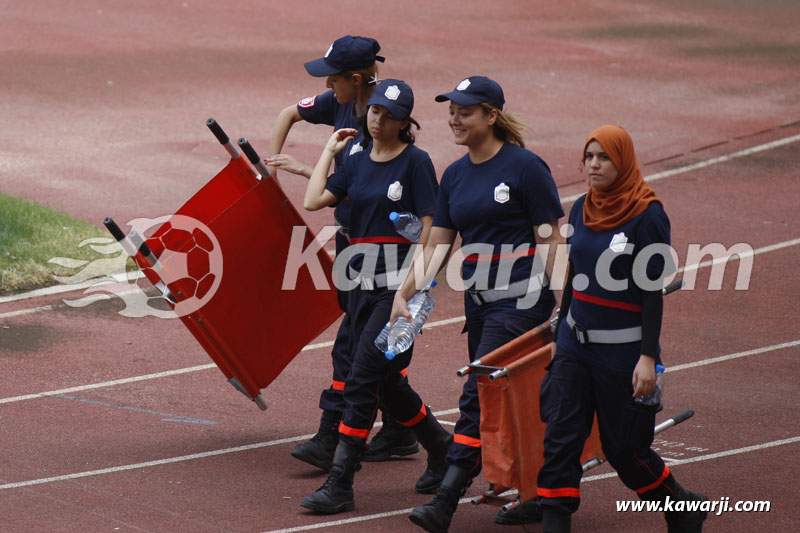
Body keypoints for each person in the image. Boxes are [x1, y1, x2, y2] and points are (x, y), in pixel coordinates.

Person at [395, 76, 566, 532]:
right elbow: (436, 246)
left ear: (491, 116)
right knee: (518, 403)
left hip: (521, 303)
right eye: (452, 110)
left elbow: (550, 239)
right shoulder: (454, 175)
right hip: (481, 307)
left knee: (479, 395)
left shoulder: (526, 168)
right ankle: (535, 497)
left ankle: (445, 503)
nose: (454, 118)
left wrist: (568, 303)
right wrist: (403, 292)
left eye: (465, 111)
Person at [535, 124, 707, 532]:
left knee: (625, 451)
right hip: (575, 347)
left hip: (623, 354)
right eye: (589, 156)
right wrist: (562, 331)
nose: (593, 165)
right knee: (560, 442)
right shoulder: (581, 206)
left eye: (603, 157)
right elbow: (575, 274)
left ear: (623, 160)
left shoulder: (648, 215)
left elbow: (652, 293)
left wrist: (648, 358)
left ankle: (683, 508)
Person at [299, 79, 453, 514]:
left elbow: (431, 228)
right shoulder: (357, 160)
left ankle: (341, 482)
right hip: (359, 287)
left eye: (388, 114)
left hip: (398, 288)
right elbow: (313, 200)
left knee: (363, 377)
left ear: (405, 122)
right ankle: (441, 446)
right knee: (384, 379)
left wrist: (416, 286)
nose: (377, 119)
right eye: (374, 112)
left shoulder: (417, 163)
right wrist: (329, 151)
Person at [267, 35, 418, 472]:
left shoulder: (388, 124)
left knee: (358, 343)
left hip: (386, 252)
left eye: (333, 79)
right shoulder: (338, 104)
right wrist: (280, 169)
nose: (327, 85)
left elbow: (381, 189)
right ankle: (402, 427)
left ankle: (334, 433)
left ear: (356, 79)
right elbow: (287, 113)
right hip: (353, 242)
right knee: (369, 343)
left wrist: (328, 180)